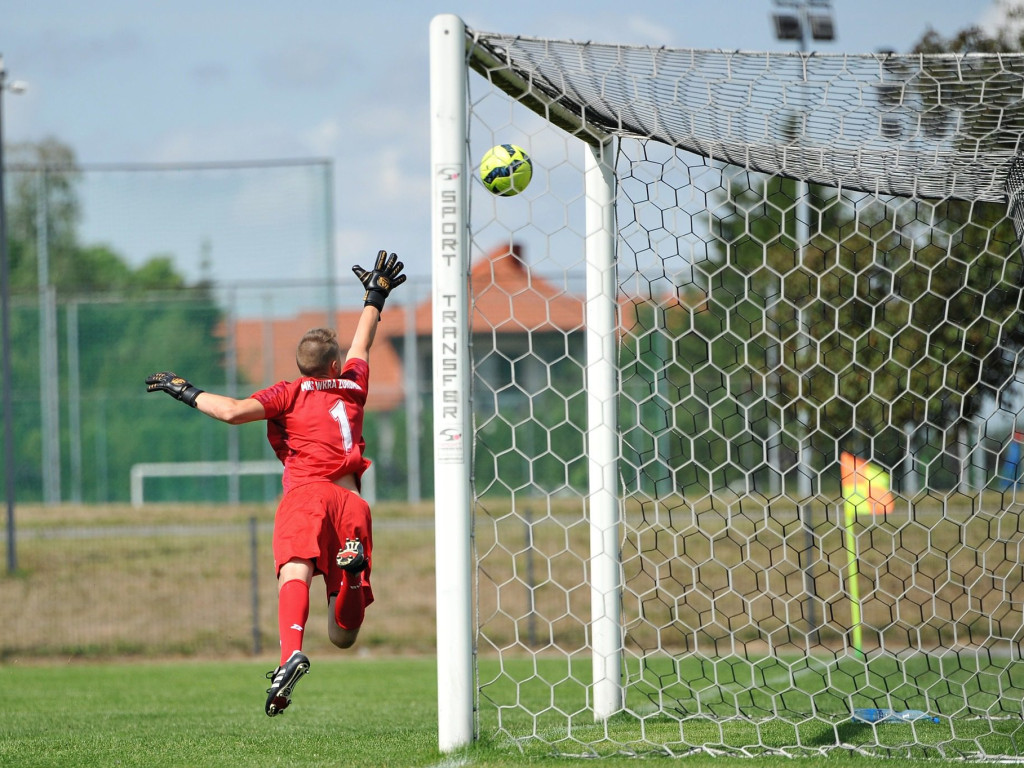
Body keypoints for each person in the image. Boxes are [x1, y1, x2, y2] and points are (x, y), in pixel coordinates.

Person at [145, 250, 405, 716]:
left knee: (294, 572)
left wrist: (184, 389)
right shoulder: (352, 386)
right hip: (351, 503)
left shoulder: (287, 392)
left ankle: (289, 656)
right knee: (343, 636)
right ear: (333, 366)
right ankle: (347, 576)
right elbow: (361, 347)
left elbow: (229, 411)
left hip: (305, 495)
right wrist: (374, 297)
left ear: (301, 365)